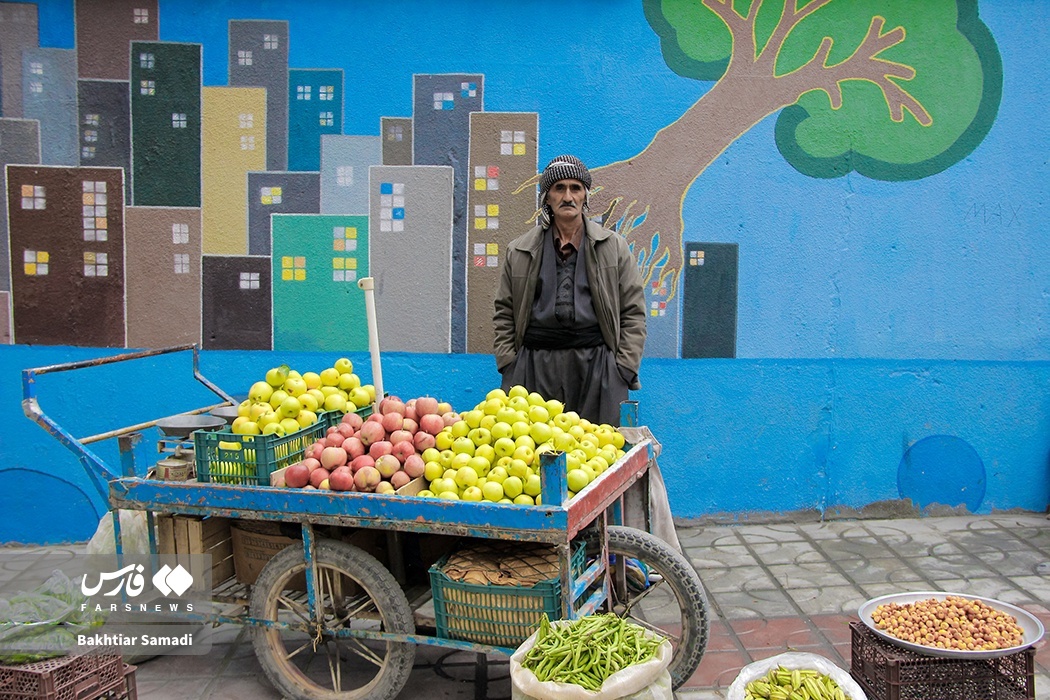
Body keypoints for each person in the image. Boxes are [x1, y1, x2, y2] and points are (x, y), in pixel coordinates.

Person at [493, 155, 647, 427]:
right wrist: (510, 364)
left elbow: (633, 312)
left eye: (576, 188)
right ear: (547, 197)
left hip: (597, 366)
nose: (568, 196)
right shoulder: (519, 251)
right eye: (559, 188)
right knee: (534, 451)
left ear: (585, 195)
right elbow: (504, 311)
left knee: (601, 449)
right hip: (533, 366)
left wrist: (622, 369)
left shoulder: (613, 247)